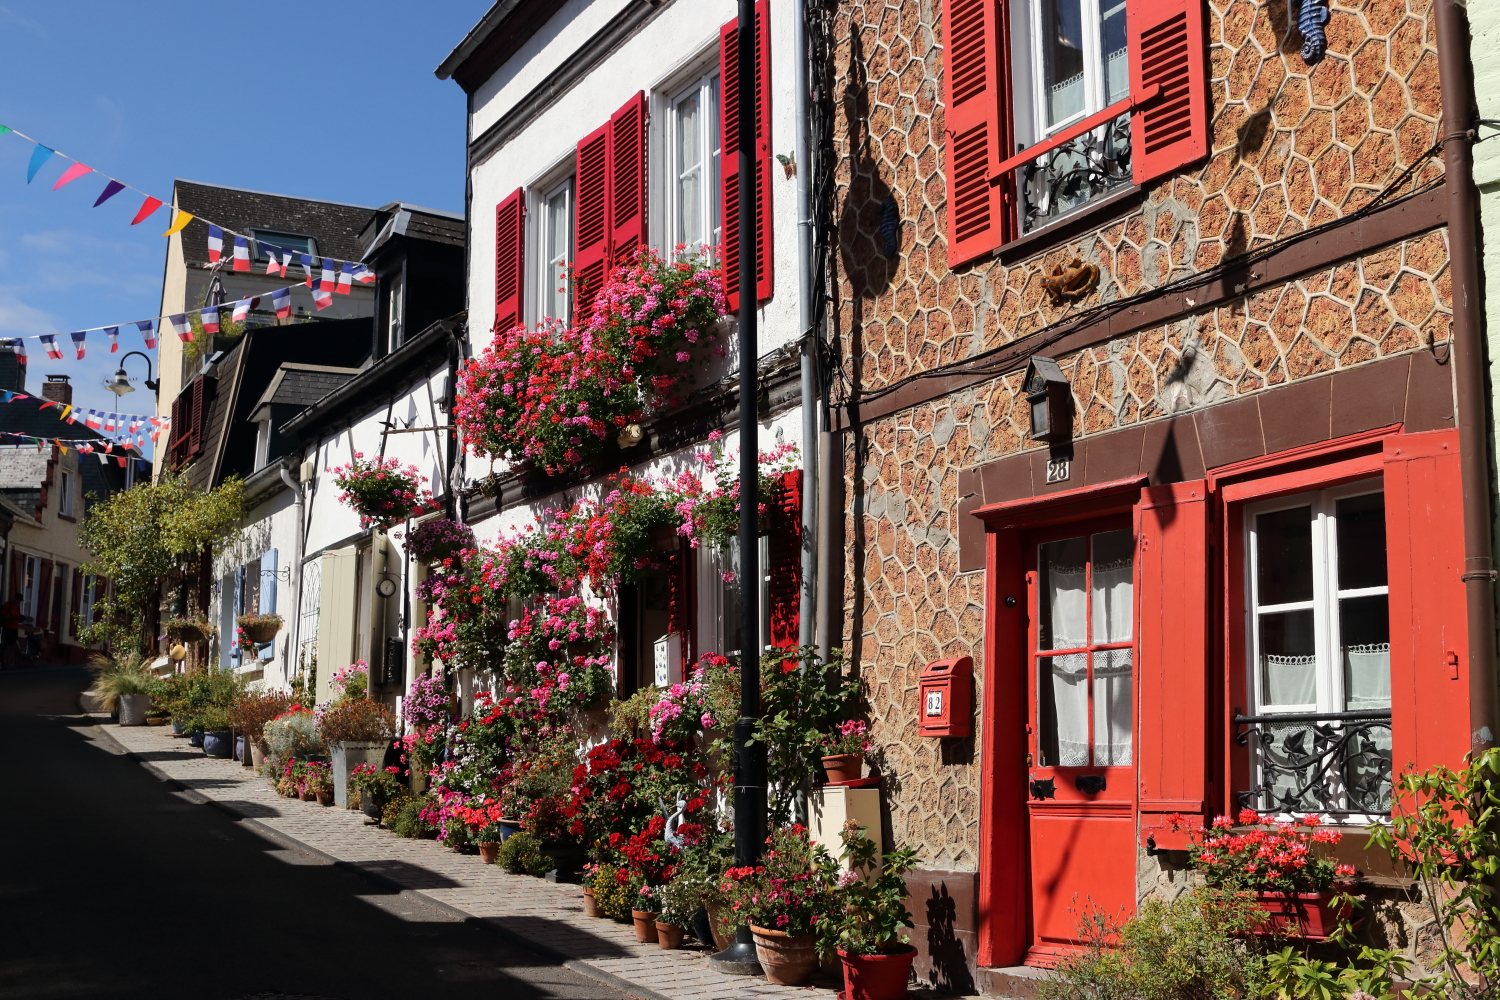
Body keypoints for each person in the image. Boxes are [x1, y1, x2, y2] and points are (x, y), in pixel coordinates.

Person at [1, 593, 24, 669]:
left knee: (12, 646)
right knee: (7, 646)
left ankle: (9, 664)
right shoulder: (8, 605)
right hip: (8, 627)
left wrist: (20, 619)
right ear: (15, 598)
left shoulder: (17, 607)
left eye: (20, 601)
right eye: (18, 600)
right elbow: (3, 616)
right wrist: (14, 618)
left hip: (15, 627)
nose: (18, 602)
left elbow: (17, 618)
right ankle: (4, 663)